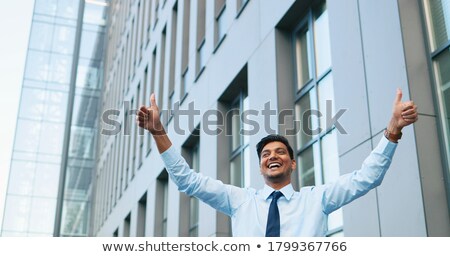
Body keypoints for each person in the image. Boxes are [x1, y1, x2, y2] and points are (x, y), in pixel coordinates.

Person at [136, 89, 418, 236]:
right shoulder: (240, 201)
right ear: (261, 167)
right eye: (266, 154)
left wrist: (393, 129)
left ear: (293, 164)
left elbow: (366, 177)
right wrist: (158, 131)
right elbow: (187, 180)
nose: (273, 156)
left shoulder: (316, 199)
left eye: (281, 152)